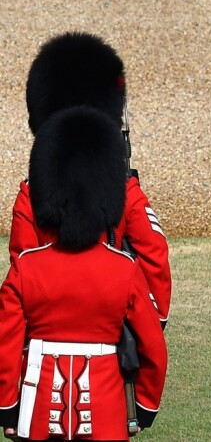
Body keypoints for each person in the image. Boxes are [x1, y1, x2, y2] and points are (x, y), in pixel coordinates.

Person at [0, 104, 167, 440]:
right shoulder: (124, 269)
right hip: (107, 409)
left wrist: (8, 405)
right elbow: (153, 345)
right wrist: (145, 404)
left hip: (38, 404)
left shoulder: (27, 267)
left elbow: (6, 342)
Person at [8, 32, 171, 328]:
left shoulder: (31, 194)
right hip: (112, 326)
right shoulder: (125, 190)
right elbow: (153, 252)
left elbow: (23, 262)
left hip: (48, 331)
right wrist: (151, 320)